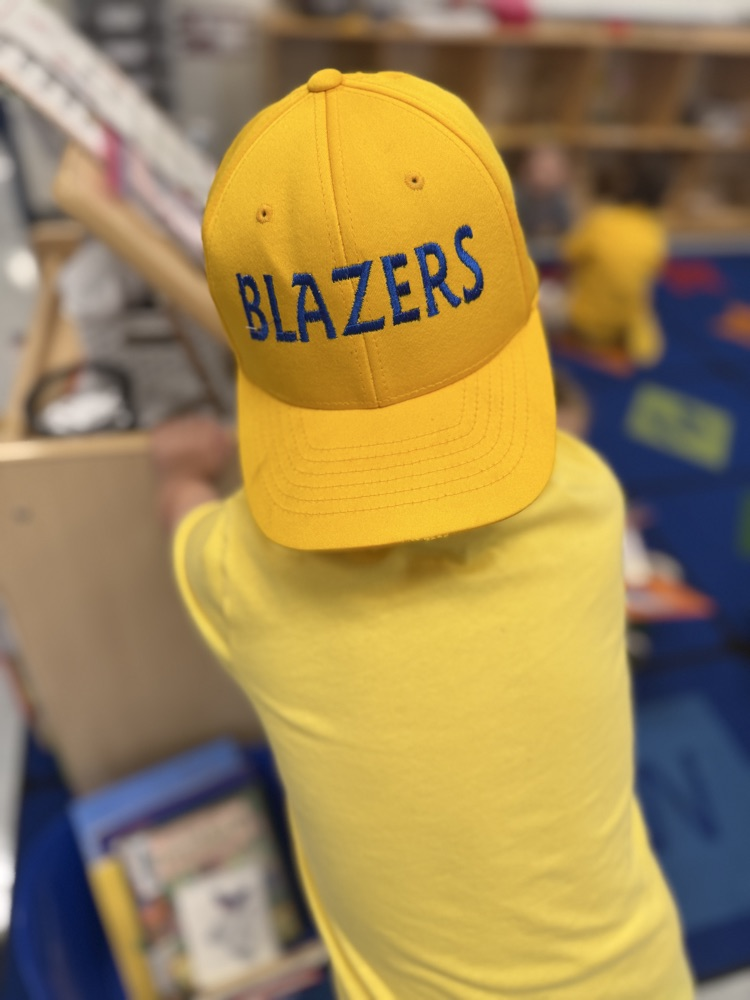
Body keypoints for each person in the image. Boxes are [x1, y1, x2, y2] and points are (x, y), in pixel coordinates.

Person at [152, 70, 693, 999]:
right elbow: (555, 442)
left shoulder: (242, 568)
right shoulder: (586, 499)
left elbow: (183, 519)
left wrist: (177, 471)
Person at [563, 157, 669, 367]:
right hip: (625, 323)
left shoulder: (601, 220)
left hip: (585, 322)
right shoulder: (655, 231)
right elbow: (650, 277)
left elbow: (568, 254)